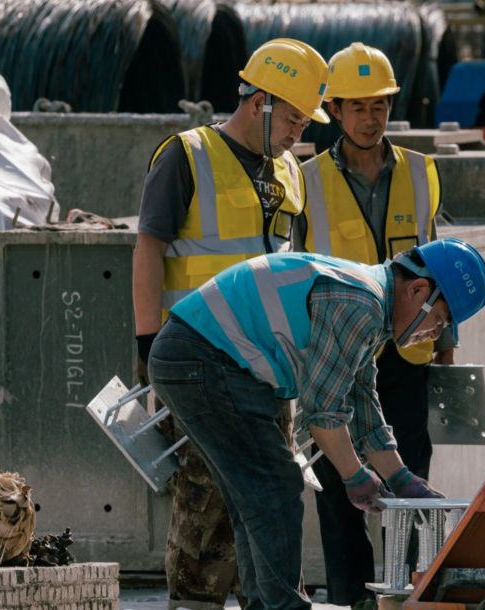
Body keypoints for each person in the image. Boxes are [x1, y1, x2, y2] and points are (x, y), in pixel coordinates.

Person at [148, 238, 485, 610]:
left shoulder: (371, 304)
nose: (434, 333)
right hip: (202, 356)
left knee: (256, 496)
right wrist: (355, 476)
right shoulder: (360, 304)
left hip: (204, 357)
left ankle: (268, 604)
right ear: (418, 289)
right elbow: (323, 413)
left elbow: (361, 402)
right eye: (439, 320)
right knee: (274, 488)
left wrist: (400, 477)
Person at [133, 38, 329, 610]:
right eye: (291, 117)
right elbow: (148, 248)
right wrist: (147, 348)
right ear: (259, 101)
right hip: (200, 362)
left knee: (265, 497)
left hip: (269, 367)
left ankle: (264, 600)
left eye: (302, 120)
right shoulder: (186, 155)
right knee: (205, 497)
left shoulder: (289, 170)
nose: (297, 131)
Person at [298, 42, 448, 610]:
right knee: (339, 484)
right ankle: (349, 597)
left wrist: (446, 346)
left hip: (405, 352)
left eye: (379, 106)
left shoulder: (420, 171)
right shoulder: (306, 178)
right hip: (336, 347)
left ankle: (405, 592)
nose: (369, 119)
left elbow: (434, 261)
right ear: (334, 110)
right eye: (357, 107)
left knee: (407, 476)